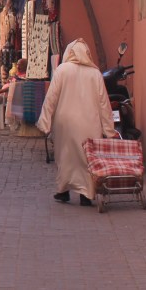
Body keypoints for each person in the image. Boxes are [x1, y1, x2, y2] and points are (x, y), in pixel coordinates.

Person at [36, 38, 118, 207]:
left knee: (65, 156)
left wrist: (45, 122)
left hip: (65, 123)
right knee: (87, 157)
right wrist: (109, 129)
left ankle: (63, 190)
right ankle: (86, 194)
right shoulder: (95, 73)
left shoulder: (62, 70)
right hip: (89, 122)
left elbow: (51, 97)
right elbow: (103, 103)